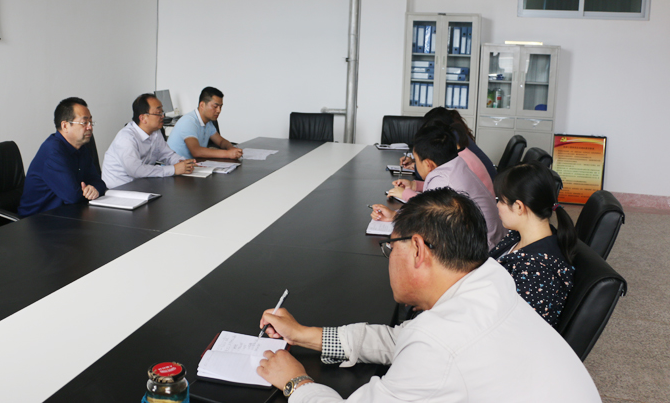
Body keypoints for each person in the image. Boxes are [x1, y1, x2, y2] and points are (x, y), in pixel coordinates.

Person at [256, 188, 601, 402]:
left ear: (418, 249)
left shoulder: (440, 343)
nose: (389, 257)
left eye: (391, 247)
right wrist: (304, 335)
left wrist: (296, 382)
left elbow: (428, 346)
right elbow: (399, 340)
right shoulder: (490, 280)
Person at [377, 124, 505, 249]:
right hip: (491, 240)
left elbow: (426, 219)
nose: (416, 165)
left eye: (416, 160)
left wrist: (395, 216)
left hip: (481, 249)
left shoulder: (443, 180)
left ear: (428, 164)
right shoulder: (455, 164)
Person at [489, 161, 577, 327]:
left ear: (519, 207)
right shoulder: (518, 236)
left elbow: (516, 328)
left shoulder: (538, 272)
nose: (497, 206)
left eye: (500, 200)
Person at [18, 97, 107, 217]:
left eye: (91, 122)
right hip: (38, 220)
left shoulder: (81, 147)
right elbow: (73, 196)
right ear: (65, 126)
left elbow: (99, 182)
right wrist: (89, 191)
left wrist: (94, 189)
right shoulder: (53, 152)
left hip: (66, 214)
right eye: (84, 123)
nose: (90, 127)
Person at [101, 93, 196, 187]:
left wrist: (183, 163)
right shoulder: (126, 138)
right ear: (143, 118)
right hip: (120, 189)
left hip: (141, 184)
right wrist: (173, 169)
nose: (163, 116)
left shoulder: (155, 132)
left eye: (162, 112)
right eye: (158, 113)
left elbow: (167, 155)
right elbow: (136, 170)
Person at [400, 107, 496, 192]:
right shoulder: (456, 139)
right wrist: (416, 164)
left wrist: (405, 193)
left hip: (485, 194)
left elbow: (436, 199)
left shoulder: (451, 145)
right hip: (490, 189)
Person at [166, 86, 243, 160]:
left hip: (192, 165)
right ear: (202, 105)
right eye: (215, 106)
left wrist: (231, 148)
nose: (219, 110)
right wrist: (228, 154)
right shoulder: (189, 122)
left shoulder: (208, 123)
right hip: (174, 167)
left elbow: (221, 141)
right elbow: (196, 151)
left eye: (220, 107)